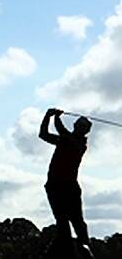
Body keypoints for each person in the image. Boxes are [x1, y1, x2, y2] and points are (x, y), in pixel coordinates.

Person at [39, 108, 94, 259]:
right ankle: (67, 252)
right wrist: (49, 117)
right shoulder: (66, 140)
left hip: (67, 188)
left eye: (81, 125)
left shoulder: (77, 143)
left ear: (84, 130)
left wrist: (53, 116)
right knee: (64, 225)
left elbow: (61, 130)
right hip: (55, 187)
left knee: (77, 224)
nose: (77, 126)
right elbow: (43, 134)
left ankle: (84, 251)